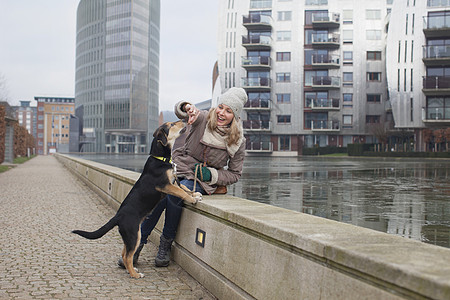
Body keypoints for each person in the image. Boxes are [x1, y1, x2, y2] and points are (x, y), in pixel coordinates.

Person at [118, 87, 248, 268]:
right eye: (221, 107)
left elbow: (235, 174)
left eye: (228, 111)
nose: (221, 113)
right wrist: (187, 107)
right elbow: (182, 110)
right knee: (156, 197)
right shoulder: (203, 117)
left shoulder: (238, 140)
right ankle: (138, 245)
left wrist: (211, 174)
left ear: (235, 115)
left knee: (174, 195)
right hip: (178, 166)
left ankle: (166, 242)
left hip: (200, 178)